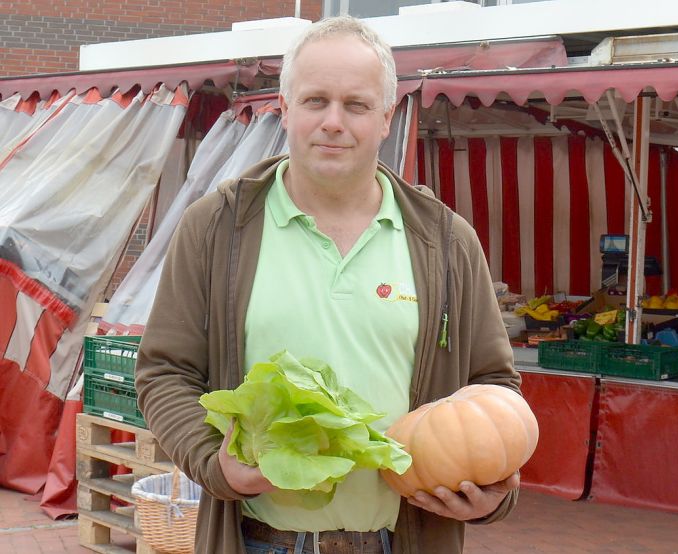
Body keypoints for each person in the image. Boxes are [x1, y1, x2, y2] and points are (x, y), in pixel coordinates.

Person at [135, 15, 521, 554]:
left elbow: (493, 389)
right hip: (258, 541)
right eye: (315, 100)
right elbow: (164, 372)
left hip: (401, 541)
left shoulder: (446, 242)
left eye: (356, 105)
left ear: (386, 117)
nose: (333, 122)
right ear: (285, 108)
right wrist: (213, 463)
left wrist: (494, 492)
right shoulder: (217, 226)